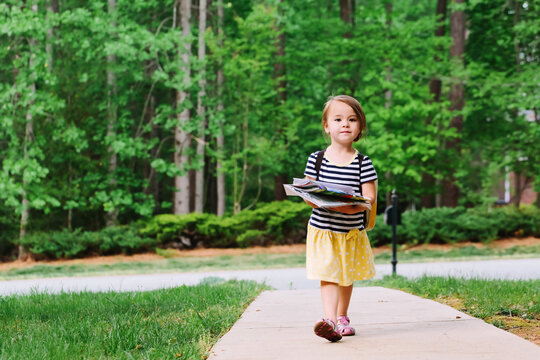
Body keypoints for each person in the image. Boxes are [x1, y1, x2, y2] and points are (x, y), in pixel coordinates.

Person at [303, 95, 378, 342]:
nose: (345, 124)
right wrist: (318, 198)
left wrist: (351, 205)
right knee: (329, 273)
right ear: (327, 126)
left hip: (350, 232)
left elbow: (369, 198)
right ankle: (329, 321)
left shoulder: (362, 163)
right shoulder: (317, 159)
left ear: (359, 127)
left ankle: (342, 317)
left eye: (352, 119)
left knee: (346, 275)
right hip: (323, 229)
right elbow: (308, 193)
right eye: (338, 119)